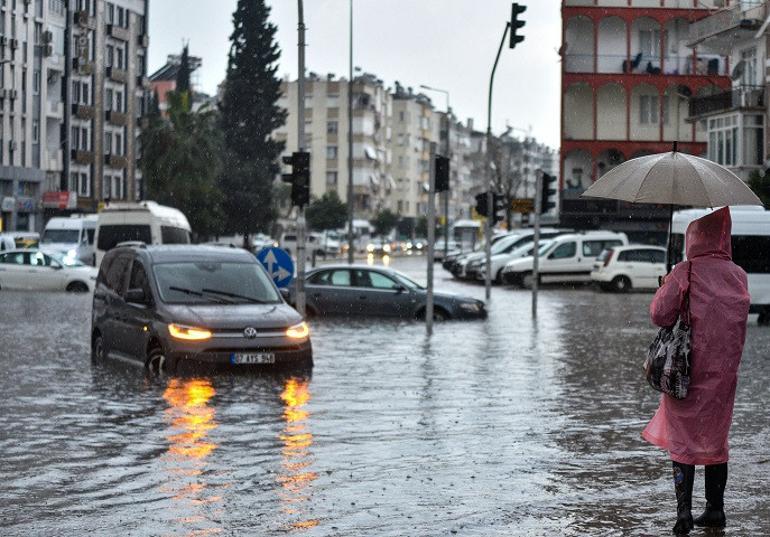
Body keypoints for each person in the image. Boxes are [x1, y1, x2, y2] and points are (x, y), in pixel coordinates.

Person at [642, 207, 750, 534]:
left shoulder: (685, 271)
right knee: (716, 439)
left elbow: (660, 315)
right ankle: (715, 510)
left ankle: (684, 513)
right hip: (724, 374)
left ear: (694, 237)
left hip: (685, 371)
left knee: (682, 440)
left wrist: (667, 284)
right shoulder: (738, 275)